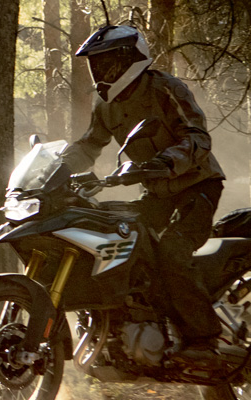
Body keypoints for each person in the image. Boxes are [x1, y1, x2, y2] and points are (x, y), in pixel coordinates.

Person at [61, 25, 226, 367]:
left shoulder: (166, 88)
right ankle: (139, 325)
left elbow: (198, 138)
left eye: (105, 62)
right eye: (95, 64)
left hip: (197, 186)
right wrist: (57, 170)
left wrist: (165, 162)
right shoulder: (106, 105)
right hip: (157, 194)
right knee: (116, 237)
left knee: (172, 251)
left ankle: (205, 340)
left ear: (128, 59)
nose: (100, 71)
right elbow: (90, 145)